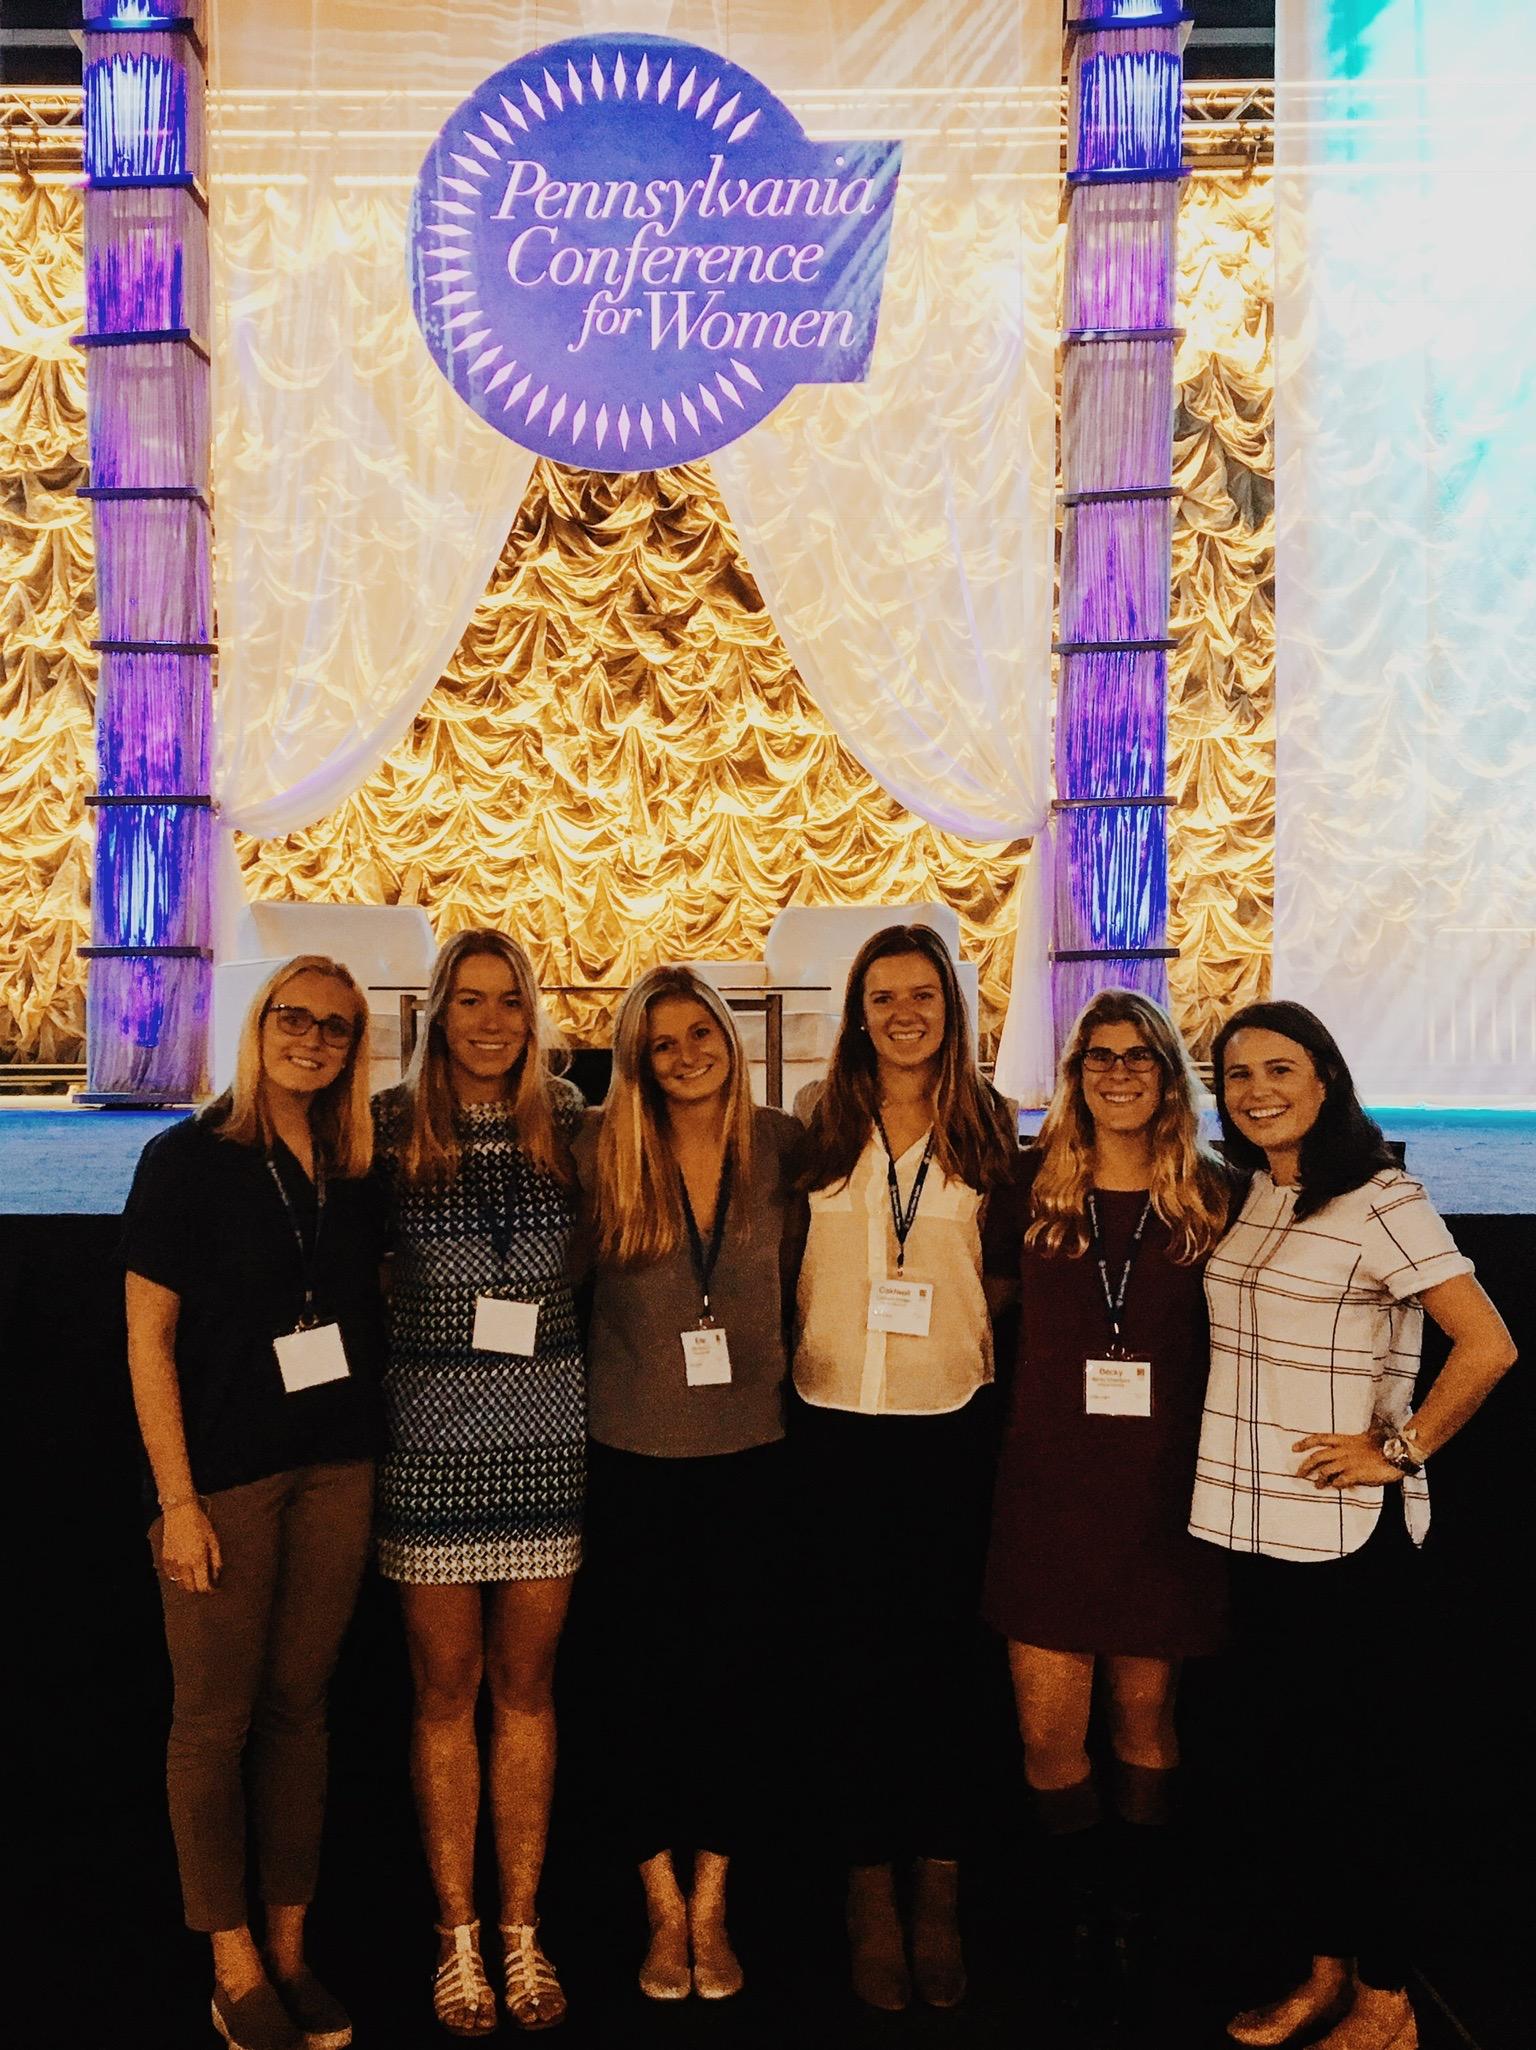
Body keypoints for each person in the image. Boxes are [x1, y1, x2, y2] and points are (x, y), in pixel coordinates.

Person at [1191, 1000, 1517, 2050]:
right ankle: (1324, 1977)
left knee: (1363, 1776)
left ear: (1325, 1078)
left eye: (1279, 1068)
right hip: (1252, 1530)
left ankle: (1386, 2004)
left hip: (1343, 1542)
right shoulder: (1252, 1194)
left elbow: (1489, 1343)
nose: (1256, 1091)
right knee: (1292, 1772)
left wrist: (1401, 1449)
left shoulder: (1382, 1198)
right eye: (1236, 1075)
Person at [123, 954, 385, 2050]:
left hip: (338, 1466)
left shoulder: (357, 1163)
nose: (311, 1039)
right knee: (213, 1723)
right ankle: (230, 1964)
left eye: (334, 1027)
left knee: (299, 1713)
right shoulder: (185, 1160)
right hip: (222, 1478)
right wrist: (176, 1503)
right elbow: (149, 1340)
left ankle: (288, 1950)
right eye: (294, 1018)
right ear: (259, 1022)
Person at [981, 990, 1232, 2003]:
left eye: (1141, 1056)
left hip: (1165, 1504)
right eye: (1099, 1056)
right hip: (1047, 1498)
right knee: (1048, 1733)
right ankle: (1077, 1911)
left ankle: (1133, 1915)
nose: (1120, 1072)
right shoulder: (1022, 1192)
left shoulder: (1216, 1200)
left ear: (1171, 1076)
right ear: (1075, 1075)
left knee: (1144, 1721)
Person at [792, 922, 1018, 2012]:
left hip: (949, 1427)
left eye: (921, 993)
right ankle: (865, 1894)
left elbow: (1011, 1279)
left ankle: (938, 1890)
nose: (903, 1012)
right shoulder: (814, 1129)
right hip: (831, 1426)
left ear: (951, 1006)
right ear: (858, 1011)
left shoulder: (992, 1135)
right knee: (850, 1667)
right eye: (882, 996)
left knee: (946, 1672)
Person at [572, 966, 803, 2001]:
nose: (684, 1053)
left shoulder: (784, 1146)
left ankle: (714, 1902)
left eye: (698, 1031)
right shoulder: (599, 1150)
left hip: (755, 1455)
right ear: (637, 1058)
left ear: (729, 1033)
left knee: (738, 1690)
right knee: (637, 1693)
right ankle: (660, 1909)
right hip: (631, 1458)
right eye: (660, 1042)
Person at [372, 930, 585, 2035]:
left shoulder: (571, 1123)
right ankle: (456, 1938)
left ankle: (522, 1928)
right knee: (444, 1695)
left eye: (509, 1001)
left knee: (528, 1691)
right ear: (438, 1011)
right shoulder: (390, 1130)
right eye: (470, 1001)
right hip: (431, 1445)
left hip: (546, 1439)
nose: (491, 1021)